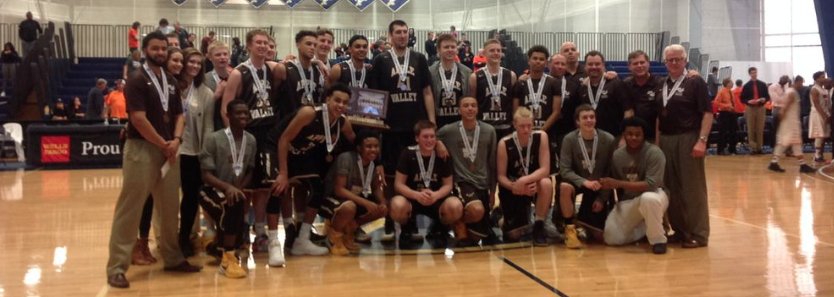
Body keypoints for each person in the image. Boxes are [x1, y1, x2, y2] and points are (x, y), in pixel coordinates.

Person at [106, 31, 201, 289]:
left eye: (164, 48)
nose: (160, 52)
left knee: (170, 207)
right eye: (156, 48)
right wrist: (163, 144)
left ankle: (172, 257)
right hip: (142, 149)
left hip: (169, 149)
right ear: (145, 50)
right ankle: (117, 266)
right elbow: (138, 118)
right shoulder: (136, 79)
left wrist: (177, 141)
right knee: (131, 208)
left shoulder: (170, 80)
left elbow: (180, 115)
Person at [272, 83, 356, 255]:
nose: (341, 105)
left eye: (345, 103)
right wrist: (283, 172)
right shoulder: (309, 113)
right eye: (337, 100)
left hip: (301, 155)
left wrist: (375, 164)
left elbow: (355, 141)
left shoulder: (342, 123)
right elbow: (283, 139)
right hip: (277, 148)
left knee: (316, 188)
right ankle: (275, 239)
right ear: (327, 99)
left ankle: (302, 239)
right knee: (280, 187)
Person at [221, 29, 282, 266]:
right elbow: (225, 107)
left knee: (264, 187)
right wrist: (235, 138)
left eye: (266, 43)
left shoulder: (272, 69)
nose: (263, 46)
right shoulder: (239, 73)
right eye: (258, 42)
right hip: (247, 134)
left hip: (267, 135)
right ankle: (244, 230)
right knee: (245, 186)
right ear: (248, 46)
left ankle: (260, 232)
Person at [655, 44, 712, 248]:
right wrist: (658, 142)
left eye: (678, 59)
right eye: (670, 59)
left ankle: (699, 234)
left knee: (692, 188)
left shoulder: (695, 82)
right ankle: (680, 231)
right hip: (667, 139)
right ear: (665, 62)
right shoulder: (661, 83)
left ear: (685, 60)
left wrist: (702, 140)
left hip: (689, 137)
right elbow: (658, 118)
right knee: (671, 188)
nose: (674, 62)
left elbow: (707, 113)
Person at [369, 20, 435, 175]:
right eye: (398, 32)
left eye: (405, 32)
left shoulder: (419, 58)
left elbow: (427, 91)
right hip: (391, 126)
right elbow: (375, 95)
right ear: (390, 35)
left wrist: (431, 122)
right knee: (392, 169)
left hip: (416, 125)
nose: (403, 35)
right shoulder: (380, 60)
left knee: (417, 168)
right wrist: (376, 123)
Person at [199, 99, 255, 278]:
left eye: (246, 113)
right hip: (209, 191)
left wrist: (237, 188)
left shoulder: (251, 140)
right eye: (238, 113)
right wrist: (227, 187)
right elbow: (206, 175)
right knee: (232, 208)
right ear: (228, 115)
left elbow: (250, 171)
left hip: (234, 191)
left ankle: (216, 246)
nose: (243, 116)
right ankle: (227, 260)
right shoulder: (213, 139)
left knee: (235, 204)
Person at [599, 117, 669, 254]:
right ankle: (646, 229)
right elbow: (610, 181)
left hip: (656, 195)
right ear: (624, 135)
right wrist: (601, 199)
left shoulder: (654, 152)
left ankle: (658, 240)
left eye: (638, 135)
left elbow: (651, 184)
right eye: (630, 134)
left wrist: (618, 183)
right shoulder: (617, 155)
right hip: (630, 201)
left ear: (643, 135)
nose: (633, 138)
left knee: (648, 199)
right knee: (611, 238)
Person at [437, 97, 498, 244]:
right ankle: (456, 224)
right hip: (462, 181)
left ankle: (462, 224)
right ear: (459, 110)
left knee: (477, 236)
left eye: (473, 105)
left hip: (482, 183)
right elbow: (431, 136)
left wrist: (492, 192)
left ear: (477, 109)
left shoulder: (489, 131)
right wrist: (438, 143)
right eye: (465, 106)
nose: (470, 108)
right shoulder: (448, 130)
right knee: (476, 211)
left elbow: (492, 163)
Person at [390, 120, 460, 247]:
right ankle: (407, 229)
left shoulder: (442, 154)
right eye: (425, 137)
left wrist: (436, 195)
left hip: (436, 199)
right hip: (413, 199)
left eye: (432, 136)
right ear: (417, 138)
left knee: (455, 206)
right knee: (397, 205)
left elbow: (448, 185)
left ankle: (438, 228)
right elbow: (398, 185)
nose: (429, 140)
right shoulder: (407, 153)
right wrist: (416, 195)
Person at [320, 131, 388, 255]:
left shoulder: (373, 164)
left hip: (353, 198)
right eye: (369, 146)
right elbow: (338, 190)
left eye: (376, 146)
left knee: (382, 209)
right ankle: (333, 238)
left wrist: (383, 202)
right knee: (349, 207)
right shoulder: (346, 158)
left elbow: (376, 188)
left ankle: (350, 229)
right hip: (329, 198)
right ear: (358, 148)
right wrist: (366, 203)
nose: (373, 149)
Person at [176, 48, 215, 257]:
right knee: (168, 199)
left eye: (198, 63)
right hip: (171, 150)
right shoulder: (172, 87)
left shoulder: (206, 93)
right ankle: (167, 239)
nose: (194, 66)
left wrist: (205, 154)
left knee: (190, 198)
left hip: (192, 152)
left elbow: (208, 127)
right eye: (190, 62)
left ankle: (185, 239)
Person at [560, 104, 617, 246]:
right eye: (584, 118)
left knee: (598, 237)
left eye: (592, 117)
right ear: (577, 122)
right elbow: (565, 170)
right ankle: (569, 228)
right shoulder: (569, 139)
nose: (589, 120)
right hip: (579, 182)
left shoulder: (608, 139)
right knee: (564, 186)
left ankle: (581, 223)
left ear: (596, 120)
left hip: (598, 185)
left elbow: (610, 172)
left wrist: (602, 198)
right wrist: (584, 182)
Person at [497, 107, 552, 245]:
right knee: (514, 235)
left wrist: (526, 180)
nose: (526, 130)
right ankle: (500, 217)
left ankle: (539, 226)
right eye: (522, 126)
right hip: (514, 187)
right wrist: (514, 186)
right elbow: (501, 176)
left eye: (529, 125)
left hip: (533, 182)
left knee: (546, 183)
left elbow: (545, 169)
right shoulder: (504, 143)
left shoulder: (541, 136)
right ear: (515, 125)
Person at [577, 50, 632, 138]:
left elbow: (628, 111)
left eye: (597, 64)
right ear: (585, 67)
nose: (594, 67)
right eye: (590, 64)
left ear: (603, 66)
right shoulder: (582, 88)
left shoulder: (616, 84)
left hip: (615, 136)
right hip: (589, 137)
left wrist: (624, 136)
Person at [469, 39, 516, 139]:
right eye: (492, 50)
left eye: (498, 50)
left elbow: (513, 103)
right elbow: (473, 103)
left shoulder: (511, 75)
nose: (496, 53)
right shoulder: (475, 77)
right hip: (484, 128)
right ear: (484, 53)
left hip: (506, 127)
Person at [512, 45, 561, 137]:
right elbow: (515, 111)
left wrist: (541, 131)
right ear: (529, 61)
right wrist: (526, 129)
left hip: (547, 132)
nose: (538, 61)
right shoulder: (520, 83)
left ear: (546, 62)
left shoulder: (554, 83)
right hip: (525, 132)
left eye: (541, 59)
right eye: (535, 58)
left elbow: (556, 112)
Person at [768, 84, 815, 173]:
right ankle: (802, 165)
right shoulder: (792, 92)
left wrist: (782, 115)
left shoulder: (788, 92)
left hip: (789, 121)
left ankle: (774, 163)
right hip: (791, 122)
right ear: (797, 82)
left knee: (784, 143)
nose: (802, 85)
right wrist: (782, 113)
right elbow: (786, 106)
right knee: (792, 142)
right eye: (801, 83)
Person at [430, 33, 473, 128]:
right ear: (438, 50)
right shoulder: (430, 72)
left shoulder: (467, 72)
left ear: (457, 50)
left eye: (453, 47)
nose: (450, 50)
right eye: (446, 47)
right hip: (438, 122)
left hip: (460, 123)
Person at [623, 50, 664, 142]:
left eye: (642, 62)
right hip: (633, 138)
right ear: (629, 67)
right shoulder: (625, 84)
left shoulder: (661, 83)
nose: (639, 66)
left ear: (648, 64)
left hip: (654, 137)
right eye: (635, 63)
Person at [740, 67, 770, 155]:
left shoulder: (762, 84)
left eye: (755, 72)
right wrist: (748, 101)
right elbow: (742, 98)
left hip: (760, 107)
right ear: (750, 74)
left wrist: (764, 99)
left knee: (760, 128)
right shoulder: (746, 86)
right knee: (751, 128)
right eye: (752, 73)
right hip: (750, 108)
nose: (754, 74)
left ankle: (759, 148)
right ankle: (753, 148)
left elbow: (767, 97)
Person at [809, 71, 830, 163]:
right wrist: (824, 115)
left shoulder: (824, 90)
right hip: (817, 113)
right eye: (822, 77)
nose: (824, 78)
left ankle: (820, 154)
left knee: (824, 135)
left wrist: (828, 114)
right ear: (817, 79)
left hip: (825, 112)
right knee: (819, 134)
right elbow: (816, 104)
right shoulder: (814, 89)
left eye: (824, 76)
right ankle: (817, 156)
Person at [714, 78, 737, 155]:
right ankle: (720, 150)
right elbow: (716, 103)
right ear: (727, 83)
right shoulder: (721, 92)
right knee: (722, 132)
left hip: (732, 113)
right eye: (731, 82)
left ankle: (732, 149)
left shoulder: (731, 92)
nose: (733, 83)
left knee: (733, 131)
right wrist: (727, 106)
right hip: (724, 113)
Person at [769, 75, 791, 148]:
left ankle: (787, 147)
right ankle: (775, 146)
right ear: (780, 79)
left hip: (786, 109)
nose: (786, 81)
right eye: (785, 79)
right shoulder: (773, 87)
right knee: (776, 128)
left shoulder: (787, 87)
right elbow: (776, 99)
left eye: (787, 80)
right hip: (777, 108)